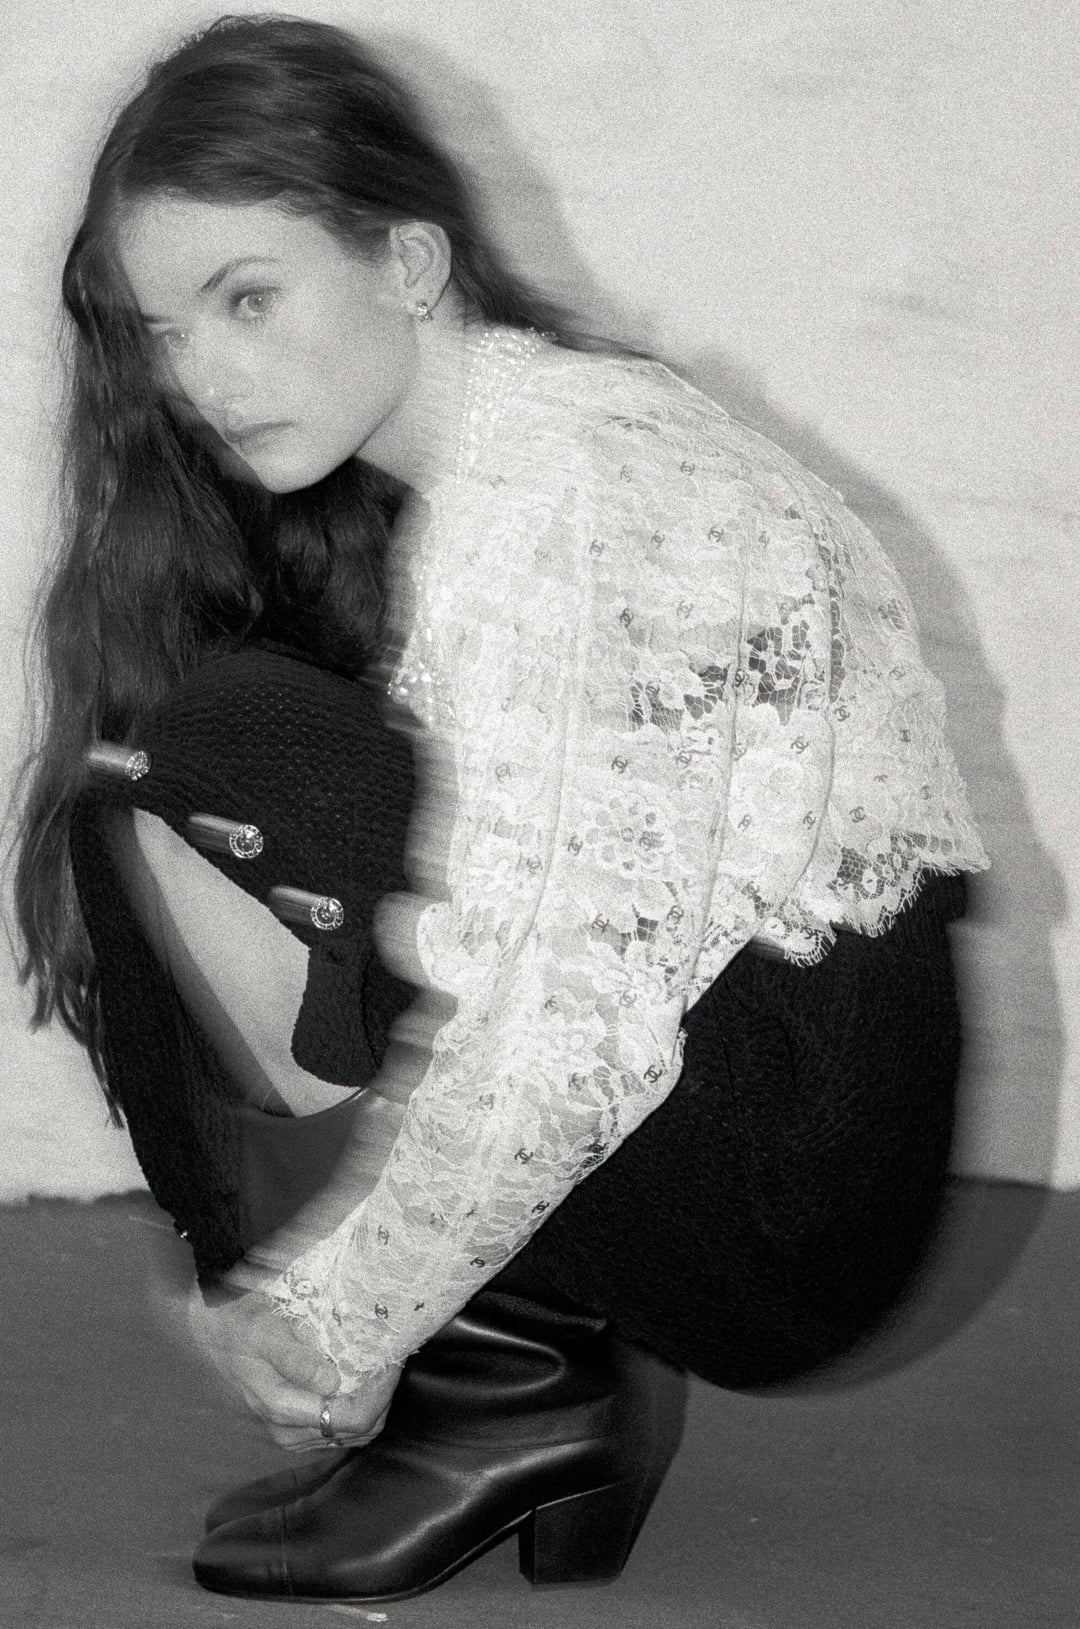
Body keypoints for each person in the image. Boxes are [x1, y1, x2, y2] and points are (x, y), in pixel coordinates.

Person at [12, 13, 989, 1607]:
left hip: (789, 1199)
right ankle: (529, 1377)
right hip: (789, 1130)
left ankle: (500, 1396)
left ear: (407, 261)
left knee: (202, 760)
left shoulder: (575, 496)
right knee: (201, 759)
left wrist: (323, 1318)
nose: (200, 377)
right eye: (166, 330)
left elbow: (566, 1023)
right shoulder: (514, 464)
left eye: (250, 298)